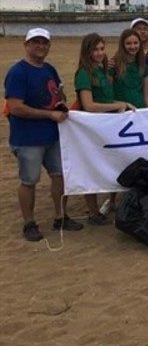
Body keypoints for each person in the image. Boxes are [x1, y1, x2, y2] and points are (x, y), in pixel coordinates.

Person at [5, 28, 83, 241]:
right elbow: (15, 107)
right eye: (36, 42)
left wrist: (60, 104)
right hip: (28, 138)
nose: (40, 46)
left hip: (53, 135)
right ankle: (29, 223)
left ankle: (60, 216)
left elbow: (58, 93)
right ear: (26, 44)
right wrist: (49, 114)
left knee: (60, 175)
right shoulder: (18, 72)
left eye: (44, 43)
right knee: (29, 180)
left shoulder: (49, 68)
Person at [75, 33, 135, 224]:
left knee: (110, 164)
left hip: (107, 127)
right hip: (92, 128)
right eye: (95, 49)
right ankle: (92, 212)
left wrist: (123, 103)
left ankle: (109, 203)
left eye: (102, 49)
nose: (100, 53)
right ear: (87, 51)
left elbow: (106, 100)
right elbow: (89, 105)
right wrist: (117, 106)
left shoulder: (101, 71)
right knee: (92, 168)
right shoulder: (84, 73)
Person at [112, 29, 148, 109]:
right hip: (121, 112)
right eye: (128, 43)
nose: (133, 46)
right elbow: (107, 94)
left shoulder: (143, 66)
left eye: (135, 43)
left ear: (140, 44)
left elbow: (146, 94)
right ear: (122, 45)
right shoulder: (114, 65)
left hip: (140, 111)